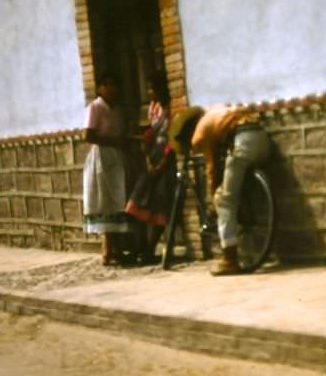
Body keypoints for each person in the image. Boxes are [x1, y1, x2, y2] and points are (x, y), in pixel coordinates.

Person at [170, 104, 269, 276]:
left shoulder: (198, 135)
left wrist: (212, 196)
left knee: (223, 199)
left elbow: (211, 167)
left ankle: (229, 260)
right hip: (261, 138)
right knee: (234, 184)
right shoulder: (216, 112)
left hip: (243, 142)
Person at [125, 71, 175, 263]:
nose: (150, 92)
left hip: (166, 160)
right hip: (152, 158)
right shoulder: (153, 108)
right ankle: (142, 247)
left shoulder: (171, 109)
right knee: (139, 201)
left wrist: (163, 162)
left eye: (152, 88)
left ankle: (151, 247)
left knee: (160, 204)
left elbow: (171, 136)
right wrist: (147, 158)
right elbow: (150, 135)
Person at [82, 73, 131, 266]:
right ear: (100, 88)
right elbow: (88, 135)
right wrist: (113, 142)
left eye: (114, 85)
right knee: (105, 201)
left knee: (118, 199)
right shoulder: (95, 107)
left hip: (117, 157)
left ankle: (116, 249)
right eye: (107, 85)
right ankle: (107, 249)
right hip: (102, 158)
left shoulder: (117, 109)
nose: (111, 89)